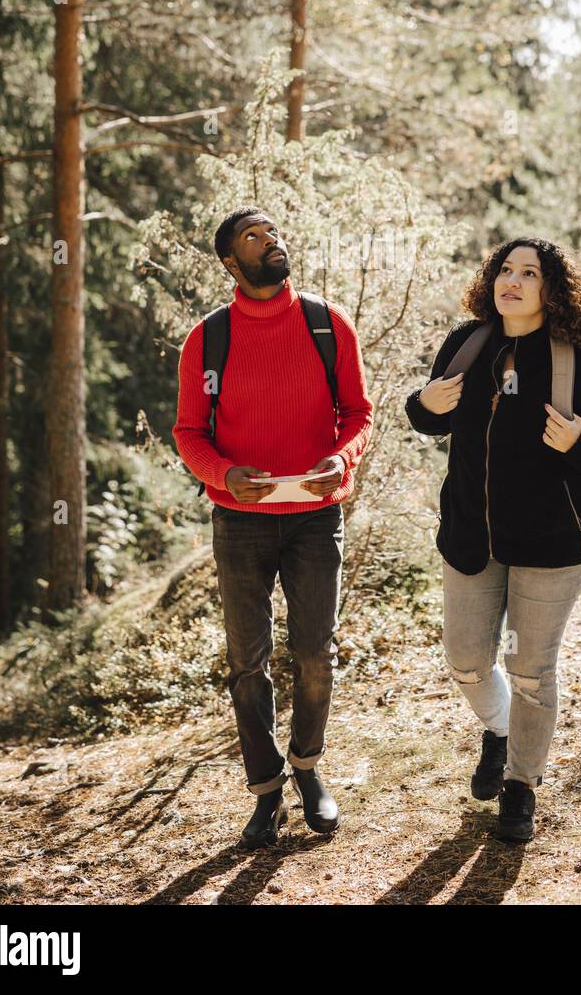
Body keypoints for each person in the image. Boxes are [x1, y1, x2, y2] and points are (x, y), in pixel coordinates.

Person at [405, 237, 581, 843]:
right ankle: (500, 728)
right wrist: (420, 404)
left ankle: (521, 786)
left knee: (531, 670)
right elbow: (431, 418)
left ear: (550, 287)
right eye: (505, 270)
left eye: (529, 273)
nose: (513, 281)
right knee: (466, 658)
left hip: (553, 542)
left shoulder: (580, 356)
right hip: (471, 537)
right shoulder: (467, 343)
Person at [173, 208, 373, 848]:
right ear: (231, 263)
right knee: (247, 663)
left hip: (316, 519)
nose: (273, 240)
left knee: (315, 654)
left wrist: (339, 460)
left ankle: (309, 770)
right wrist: (224, 475)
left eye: (274, 231)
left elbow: (359, 414)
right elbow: (189, 432)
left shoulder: (327, 323)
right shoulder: (208, 340)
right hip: (240, 524)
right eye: (255, 237)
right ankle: (265, 792)